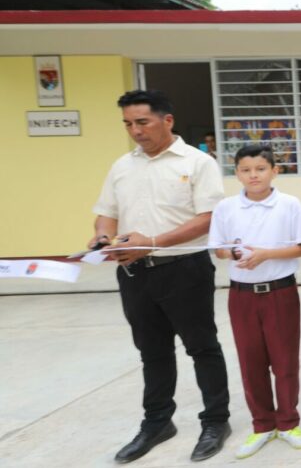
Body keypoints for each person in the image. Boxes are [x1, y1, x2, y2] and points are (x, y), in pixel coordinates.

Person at [89, 89, 231, 463]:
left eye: (142, 122)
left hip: (184, 269)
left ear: (167, 120)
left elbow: (208, 218)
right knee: (152, 352)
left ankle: (216, 421)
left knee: (202, 348)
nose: (135, 131)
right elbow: (107, 211)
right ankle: (157, 423)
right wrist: (104, 236)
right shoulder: (122, 166)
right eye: (128, 124)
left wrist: (152, 242)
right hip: (134, 272)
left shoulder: (198, 163)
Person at [207, 144, 301, 459]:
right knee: (250, 362)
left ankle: (288, 421)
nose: (253, 175)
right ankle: (262, 424)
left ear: (274, 171)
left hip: (280, 292)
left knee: (284, 360)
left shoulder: (289, 205)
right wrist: (233, 251)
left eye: (261, 169)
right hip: (241, 296)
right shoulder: (226, 208)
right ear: (236, 173)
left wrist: (266, 254)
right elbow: (218, 248)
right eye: (246, 170)